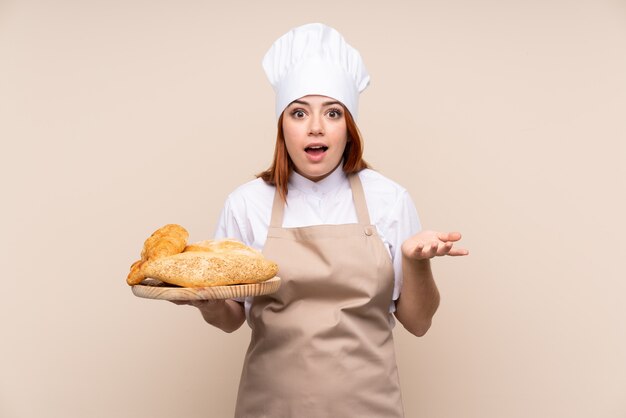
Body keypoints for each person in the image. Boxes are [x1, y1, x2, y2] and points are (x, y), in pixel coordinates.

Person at [176, 23, 468, 417]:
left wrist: (418, 262)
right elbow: (231, 320)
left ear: (348, 128)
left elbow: (418, 322)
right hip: (271, 407)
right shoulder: (246, 204)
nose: (316, 126)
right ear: (283, 126)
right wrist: (204, 301)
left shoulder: (389, 199)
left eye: (332, 112)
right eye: (299, 113)